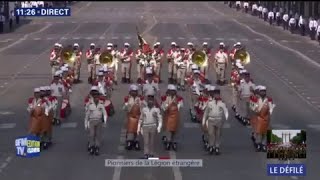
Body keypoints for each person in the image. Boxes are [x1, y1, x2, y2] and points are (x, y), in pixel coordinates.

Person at [202, 87, 228, 155]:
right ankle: (211, 146)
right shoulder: (210, 103)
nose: (217, 96)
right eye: (215, 94)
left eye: (218, 94)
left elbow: (225, 110)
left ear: (219, 95)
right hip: (211, 120)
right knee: (211, 134)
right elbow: (206, 112)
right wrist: (204, 120)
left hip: (219, 120)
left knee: (218, 134)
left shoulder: (222, 103)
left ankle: (217, 147)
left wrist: (226, 115)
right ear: (213, 95)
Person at [137, 93, 162, 158]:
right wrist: (139, 128)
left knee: (152, 141)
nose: (150, 102)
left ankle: (151, 153)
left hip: (153, 126)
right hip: (145, 126)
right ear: (147, 101)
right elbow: (140, 119)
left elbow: (160, 119)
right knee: (146, 141)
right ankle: (146, 153)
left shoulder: (156, 109)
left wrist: (159, 127)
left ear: (153, 101)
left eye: (151, 100)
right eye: (149, 100)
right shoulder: (144, 109)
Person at [84, 89, 107, 156]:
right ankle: (91, 146)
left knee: (98, 135)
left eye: (97, 96)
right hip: (92, 121)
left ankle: (97, 147)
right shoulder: (90, 104)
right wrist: (86, 124)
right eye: (95, 97)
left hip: (99, 121)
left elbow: (104, 113)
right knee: (92, 134)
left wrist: (105, 121)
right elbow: (87, 114)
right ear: (93, 97)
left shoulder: (101, 104)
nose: (96, 98)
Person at [161, 84, 183, 150]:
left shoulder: (179, 98)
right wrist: (167, 105)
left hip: (176, 116)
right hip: (168, 116)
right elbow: (163, 107)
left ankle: (174, 142)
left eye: (174, 91)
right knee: (168, 129)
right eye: (171, 91)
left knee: (176, 130)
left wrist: (177, 105)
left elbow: (180, 106)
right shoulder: (165, 98)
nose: (173, 92)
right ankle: (168, 141)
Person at [254, 86, 275, 152]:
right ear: (259, 92)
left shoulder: (268, 99)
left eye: (264, 91)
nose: (263, 93)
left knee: (265, 132)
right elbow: (254, 108)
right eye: (261, 91)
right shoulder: (257, 99)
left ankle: (264, 145)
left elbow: (271, 108)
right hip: (259, 118)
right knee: (258, 132)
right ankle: (258, 144)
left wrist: (268, 112)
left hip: (266, 118)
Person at [123, 84, 145, 150]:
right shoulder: (128, 99)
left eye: (135, 91)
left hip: (138, 117)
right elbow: (124, 108)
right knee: (130, 130)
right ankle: (129, 141)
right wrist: (127, 104)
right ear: (130, 91)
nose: (134, 93)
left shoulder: (140, 99)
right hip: (131, 117)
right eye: (133, 91)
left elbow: (142, 108)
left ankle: (136, 141)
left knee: (137, 130)